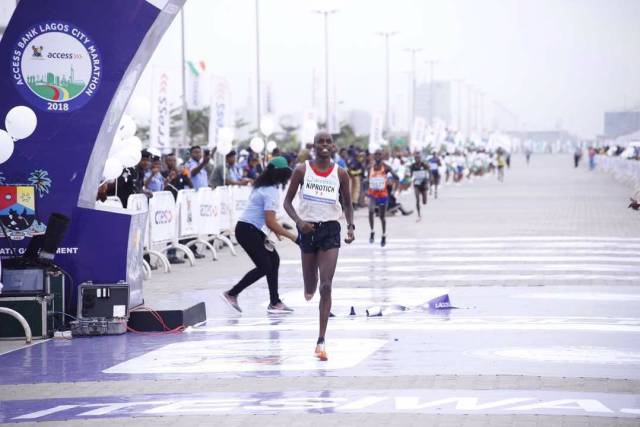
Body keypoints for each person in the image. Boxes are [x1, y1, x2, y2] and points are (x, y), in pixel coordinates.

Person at [283, 131, 355, 361]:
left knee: (326, 286)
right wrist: (299, 222)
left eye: (327, 142)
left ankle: (321, 340)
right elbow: (287, 202)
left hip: (331, 230)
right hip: (307, 230)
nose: (324, 145)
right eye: (320, 142)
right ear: (313, 146)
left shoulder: (340, 173)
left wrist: (351, 227)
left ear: (333, 146)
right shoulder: (301, 170)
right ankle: (309, 286)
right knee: (311, 287)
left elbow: (348, 203)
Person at [221, 157, 297, 314]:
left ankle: (275, 302)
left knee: (274, 260)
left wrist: (277, 231)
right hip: (247, 230)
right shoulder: (271, 191)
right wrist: (293, 237)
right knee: (265, 266)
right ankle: (232, 293)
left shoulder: (263, 186)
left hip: (249, 228)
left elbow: (267, 218)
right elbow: (270, 221)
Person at [367, 149, 398, 247]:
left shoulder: (386, 167)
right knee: (371, 211)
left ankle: (383, 235)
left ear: (382, 156)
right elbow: (366, 180)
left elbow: (396, 177)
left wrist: (394, 190)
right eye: (375, 154)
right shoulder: (370, 167)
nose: (377, 156)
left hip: (382, 195)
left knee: (382, 217)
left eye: (379, 154)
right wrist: (364, 190)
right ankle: (372, 232)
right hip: (372, 194)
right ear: (373, 156)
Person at [410, 152, 429, 221]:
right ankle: (419, 214)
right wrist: (411, 178)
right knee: (417, 199)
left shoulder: (424, 165)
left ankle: (424, 198)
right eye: (416, 158)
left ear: (420, 158)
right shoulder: (412, 166)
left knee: (424, 201)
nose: (417, 159)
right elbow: (410, 175)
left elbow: (429, 171)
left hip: (423, 183)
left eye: (418, 158)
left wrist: (428, 180)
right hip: (416, 184)